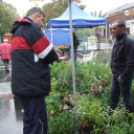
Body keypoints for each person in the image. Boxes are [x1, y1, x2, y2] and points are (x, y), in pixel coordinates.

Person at [11, 7, 61, 134]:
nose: (42, 24)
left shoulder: (18, 30)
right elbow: (47, 53)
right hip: (32, 86)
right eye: (42, 20)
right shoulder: (31, 28)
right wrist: (56, 56)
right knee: (38, 124)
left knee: (30, 122)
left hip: (23, 84)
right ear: (36, 17)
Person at [111, 20, 134, 113]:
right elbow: (114, 56)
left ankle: (129, 121)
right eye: (112, 28)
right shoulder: (117, 38)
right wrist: (113, 71)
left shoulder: (129, 41)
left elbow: (131, 62)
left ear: (122, 28)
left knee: (126, 99)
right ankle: (119, 115)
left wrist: (123, 76)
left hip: (124, 76)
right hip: (116, 74)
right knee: (114, 96)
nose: (112, 30)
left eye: (114, 28)